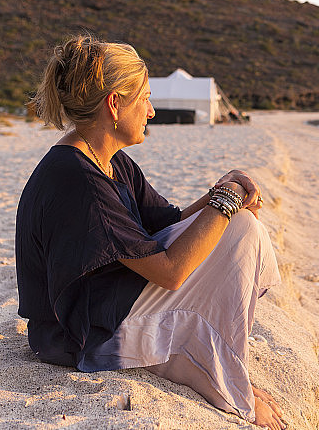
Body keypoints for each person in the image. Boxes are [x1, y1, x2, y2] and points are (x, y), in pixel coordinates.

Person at [15, 35, 286, 429]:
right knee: (239, 228)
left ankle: (226, 364)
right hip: (83, 334)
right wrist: (227, 200)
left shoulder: (108, 160)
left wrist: (223, 188)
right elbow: (171, 271)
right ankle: (225, 378)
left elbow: (170, 221)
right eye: (144, 97)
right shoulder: (80, 181)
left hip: (107, 302)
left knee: (238, 226)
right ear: (114, 104)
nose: (152, 111)